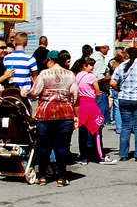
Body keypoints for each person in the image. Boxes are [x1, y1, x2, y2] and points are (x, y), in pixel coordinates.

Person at [30, 50, 79, 185]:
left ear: (50, 60)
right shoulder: (70, 75)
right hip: (65, 113)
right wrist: (76, 115)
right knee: (61, 146)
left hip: (45, 113)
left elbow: (35, 92)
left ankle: (42, 176)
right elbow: (75, 95)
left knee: (44, 146)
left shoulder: (44, 73)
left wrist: (25, 93)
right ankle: (62, 177)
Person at [73, 58, 113, 165]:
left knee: (82, 132)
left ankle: (84, 157)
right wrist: (97, 93)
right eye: (90, 65)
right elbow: (97, 91)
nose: (92, 67)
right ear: (84, 66)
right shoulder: (91, 77)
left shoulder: (77, 76)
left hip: (81, 104)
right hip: (91, 104)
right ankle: (99, 156)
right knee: (96, 130)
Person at [92, 43, 112, 127]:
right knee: (99, 119)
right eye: (107, 47)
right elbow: (98, 78)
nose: (109, 49)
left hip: (99, 91)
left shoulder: (95, 57)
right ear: (101, 48)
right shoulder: (99, 60)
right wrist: (111, 77)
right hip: (100, 91)